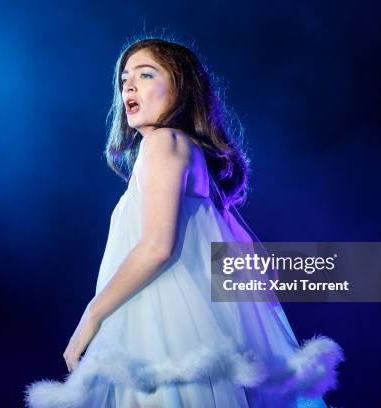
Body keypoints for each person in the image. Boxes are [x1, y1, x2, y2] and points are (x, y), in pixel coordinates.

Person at [25, 37, 344, 408]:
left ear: (182, 88)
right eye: (124, 77)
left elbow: (158, 247)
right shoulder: (192, 157)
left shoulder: (161, 143)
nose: (128, 84)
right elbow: (260, 266)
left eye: (145, 74)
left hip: (166, 340)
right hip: (193, 336)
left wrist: (92, 316)